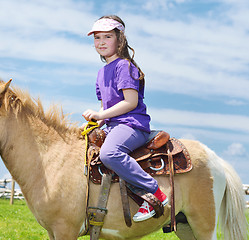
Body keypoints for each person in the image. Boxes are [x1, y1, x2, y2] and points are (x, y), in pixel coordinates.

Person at [82, 15, 167, 222]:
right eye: (97, 38)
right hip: (113, 125)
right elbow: (105, 107)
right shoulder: (101, 73)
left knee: (110, 154)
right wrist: (95, 121)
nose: (101, 42)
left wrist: (101, 114)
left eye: (107, 37)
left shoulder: (125, 66)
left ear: (120, 40)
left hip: (132, 125)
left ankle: (154, 192)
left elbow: (130, 102)